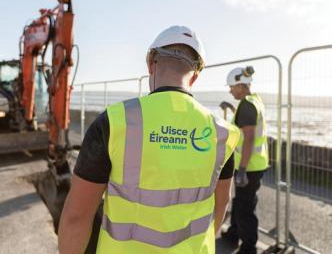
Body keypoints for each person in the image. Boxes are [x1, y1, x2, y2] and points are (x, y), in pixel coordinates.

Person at [58, 25, 240, 254]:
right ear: (195, 76)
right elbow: (220, 206)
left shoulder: (115, 122)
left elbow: (77, 217)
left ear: (151, 64)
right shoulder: (222, 133)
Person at [221, 66, 269, 254]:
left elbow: (248, 138)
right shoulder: (252, 101)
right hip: (254, 163)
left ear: (241, 85)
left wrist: (241, 170)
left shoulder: (247, 105)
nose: (230, 90)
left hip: (249, 167)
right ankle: (233, 233)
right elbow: (245, 124)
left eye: (232, 87)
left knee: (245, 208)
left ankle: (249, 248)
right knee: (240, 202)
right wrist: (232, 108)